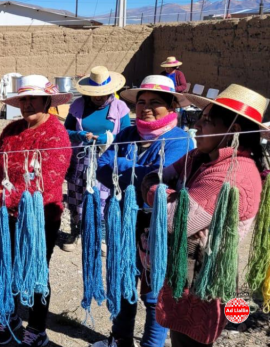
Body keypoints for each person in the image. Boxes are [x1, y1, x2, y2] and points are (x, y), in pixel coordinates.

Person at [146, 84, 265, 347]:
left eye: (207, 121)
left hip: (202, 283)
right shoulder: (204, 157)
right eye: (199, 119)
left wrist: (153, 192)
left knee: (191, 340)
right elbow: (161, 173)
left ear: (232, 131)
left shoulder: (232, 174)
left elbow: (173, 220)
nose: (197, 126)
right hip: (187, 275)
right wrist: (167, 190)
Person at [93, 75, 194, 347]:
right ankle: (121, 339)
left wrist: (123, 165)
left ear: (172, 107)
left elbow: (157, 181)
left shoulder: (180, 141)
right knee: (125, 280)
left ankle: (152, 344)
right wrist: (137, 173)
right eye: (141, 102)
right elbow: (102, 170)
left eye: (155, 103)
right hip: (125, 223)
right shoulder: (128, 134)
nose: (146, 108)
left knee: (154, 292)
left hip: (156, 227)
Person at [0, 75, 72, 346]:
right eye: (24, 99)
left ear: (47, 101)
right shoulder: (11, 130)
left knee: (35, 272)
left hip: (40, 218)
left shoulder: (57, 134)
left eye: (33, 98)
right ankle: (9, 316)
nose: (28, 104)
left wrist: (3, 197)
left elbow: (48, 183)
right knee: (7, 267)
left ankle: (36, 327)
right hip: (6, 216)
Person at [63, 66, 130, 252]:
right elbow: (65, 131)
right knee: (76, 194)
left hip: (106, 159)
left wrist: (107, 139)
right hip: (80, 158)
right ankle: (76, 231)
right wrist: (78, 135)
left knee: (103, 196)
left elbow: (127, 134)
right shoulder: (77, 106)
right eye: (95, 93)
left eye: (104, 92)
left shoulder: (119, 107)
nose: (99, 96)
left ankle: (100, 235)